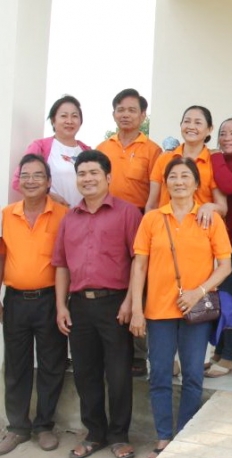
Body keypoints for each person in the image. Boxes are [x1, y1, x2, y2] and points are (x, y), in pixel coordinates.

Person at [129, 157, 232, 458]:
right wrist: (137, 308)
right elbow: (139, 267)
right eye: (173, 177)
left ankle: (185, 434)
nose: (179, 182)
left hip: (195, 312)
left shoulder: (209, 218)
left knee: (192, 376)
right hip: (158, 311)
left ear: (197, 184)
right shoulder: (152, 219)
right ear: (166, 183)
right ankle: (163, 437)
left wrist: (198, 292)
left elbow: (225, 266)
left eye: (186, 176)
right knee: (159, 374)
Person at [52, 150, 142, 458]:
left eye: (94, 173)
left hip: (115, 303)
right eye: (82, 173)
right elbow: (61, 264)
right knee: (85, 373)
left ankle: (119, 435)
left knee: (118, 372)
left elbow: (138, 262)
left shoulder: (128, 213)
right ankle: (95, 433)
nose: (87, 178)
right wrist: (61, 305)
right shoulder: (69, 218)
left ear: (108, 177)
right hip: (78, 305)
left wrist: (131, 302)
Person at [0, 155, 69, 455]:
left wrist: (64, 303)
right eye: (25, 175)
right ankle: (17, 427)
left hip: (49, 300)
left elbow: (67, 261)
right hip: (14, 301)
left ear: (48, 181)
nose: (30, 180)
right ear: (19, 181)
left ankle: (44, 426)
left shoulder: (64, 215)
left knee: (52, 365)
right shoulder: (6, 215)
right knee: (15, 366)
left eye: (38, 175)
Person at [96, 88, 163, 378]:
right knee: (110, 280)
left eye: (132, 110)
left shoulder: (152, 150)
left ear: (143, 115)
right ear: (114, 113)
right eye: (120, 109)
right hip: (105, 223)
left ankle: (138, 353)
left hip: (138, 222)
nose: (125, 114)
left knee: (140, 282)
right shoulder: (102, 148)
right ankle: (106, 348)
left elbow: (156, 193)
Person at [203, 118, 232, 378]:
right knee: (214, 299)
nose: (227, 137)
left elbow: (229, 186)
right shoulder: (216, 162)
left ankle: (229, 355)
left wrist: (215, 158)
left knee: (228, 298)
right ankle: (217, 352)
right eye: (223, 133)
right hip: (210, 242)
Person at [145, 105, 227, 222]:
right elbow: (151, 205)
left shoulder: (214, 161)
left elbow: (223, 207)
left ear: (209, 129)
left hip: (200, 230)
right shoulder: (164, 159)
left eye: (198, 123)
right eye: (187, 121)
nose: (191, 126)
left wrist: (209, 207)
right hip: (166, 229)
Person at [15, 95, 91, 207]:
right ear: (53, 121)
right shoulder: (40, 147)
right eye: (64, 116)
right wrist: (48, 195)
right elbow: (17, 181)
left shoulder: (87, 151)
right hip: (50, 215)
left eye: (74, 116)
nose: (69, 121)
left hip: (82, 218)